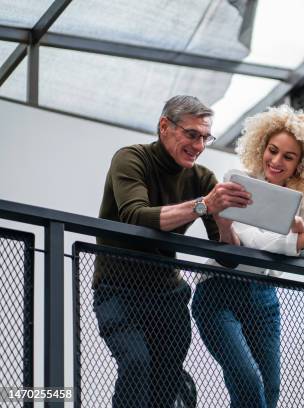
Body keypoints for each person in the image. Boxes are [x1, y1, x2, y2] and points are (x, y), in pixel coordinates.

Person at [191, 105, 304, 408]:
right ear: (261, 148)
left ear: (300, 164)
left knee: (269, 393)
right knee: (247, 380)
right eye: (272, 151)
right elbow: (251, 242)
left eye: (288, 156)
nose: (277, 161)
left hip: (263, 298)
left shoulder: (301, 204)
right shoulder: (238, 186)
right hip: (218, 291)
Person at [93, 95, 251, 407]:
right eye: (192, 135)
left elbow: (228, 257)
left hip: (168, 295)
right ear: (164, 126)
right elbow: (136, 216)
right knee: (136, 364)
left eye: (205, 137)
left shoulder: (202, 178)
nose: (199, 145)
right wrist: (203, 205)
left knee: (166, 378)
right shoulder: (131, 158)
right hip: (118, 289)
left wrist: (222, 219)